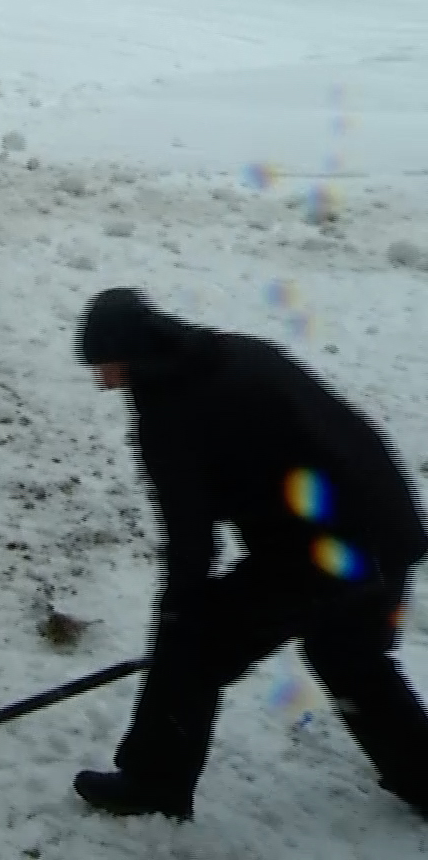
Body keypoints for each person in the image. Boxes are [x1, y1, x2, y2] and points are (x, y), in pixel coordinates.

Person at [71, 288, 428, 822]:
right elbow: (354, 429)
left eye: (106, 365)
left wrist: (176, 618)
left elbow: (190, 539)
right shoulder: (241, 352)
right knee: (350, 656)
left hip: (321, 548)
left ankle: (153, 782)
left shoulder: (170, 415)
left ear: (134, 355)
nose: (101, 379)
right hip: (386, 526)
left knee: (194, 642)